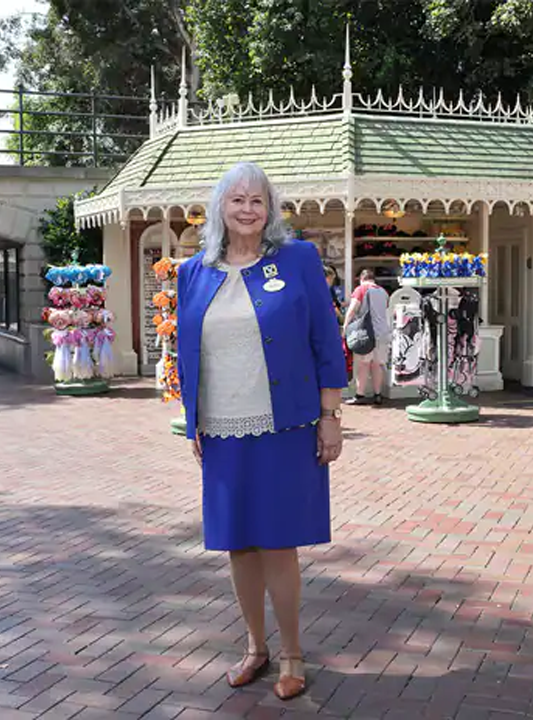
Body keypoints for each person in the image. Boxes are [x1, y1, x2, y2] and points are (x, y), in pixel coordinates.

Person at [175, 162, 346, 701]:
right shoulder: (193, 272)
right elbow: (187, 352)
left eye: (258, 201)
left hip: (286, 423)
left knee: (277, 543)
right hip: (221, 428)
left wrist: (331, 414)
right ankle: (255, 647)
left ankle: (293, 652)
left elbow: (325, 336)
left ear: (270, 209)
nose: (248, 209)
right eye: (237, 200)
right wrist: (193, 422)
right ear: (219, 208)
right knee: (238, 545)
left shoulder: (297, 260)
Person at [345, 269, 392, 405]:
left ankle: (360, 395)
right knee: (377, 365)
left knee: (363, 365)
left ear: (361, 279)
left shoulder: (361, 289)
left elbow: (352, 309)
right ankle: (378, 395)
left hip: (366, 334)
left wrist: (346, 326)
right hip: (382, 333)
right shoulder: (383, 292)